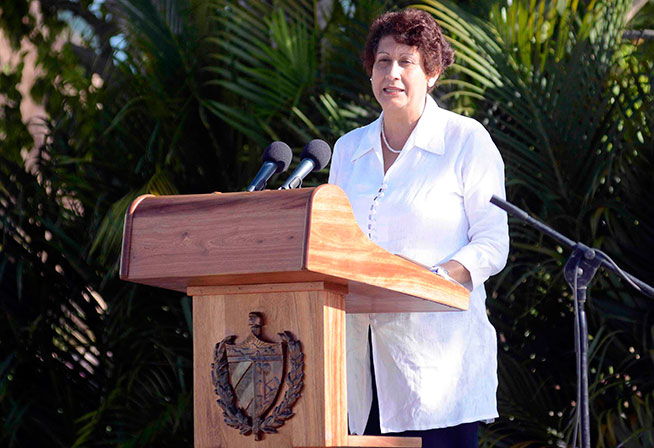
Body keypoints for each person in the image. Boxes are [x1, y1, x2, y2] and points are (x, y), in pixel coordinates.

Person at [327, 9, 510, 447]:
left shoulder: (465, 140)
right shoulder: (346, 149)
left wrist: (431, 280)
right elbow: (331, 244)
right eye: (382, 60)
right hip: (359, 368)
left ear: (432, 73)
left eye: (406, 61)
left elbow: (492, 242)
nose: (391, 72)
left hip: (436, 369)